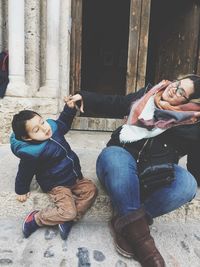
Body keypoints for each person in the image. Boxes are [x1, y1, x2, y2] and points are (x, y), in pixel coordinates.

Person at [68, 74, 200, 267]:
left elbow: (196, 162)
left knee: (188, 185)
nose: (174, 89)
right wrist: (84, 97)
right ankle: (144, 245)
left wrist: (196, 180)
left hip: (153, 174)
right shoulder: (148, 94)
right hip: (119, 162)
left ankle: (124, 223)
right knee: (115, 157)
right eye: (177, 84)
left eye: (181, 92)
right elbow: (117, 102)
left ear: (190, 102)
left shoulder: (193, 124)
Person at [10, 96, 97, 240]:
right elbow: (24, 173)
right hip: (57, 185)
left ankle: (68, 220)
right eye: (37, 130)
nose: (44, 129)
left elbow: (63, 122)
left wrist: (69, 108)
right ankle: (36, 219)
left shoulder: (53, 129)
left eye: (42, 122)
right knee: (68, 211)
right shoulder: (31, 153)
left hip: (74, 177)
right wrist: (21, 189)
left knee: (91, 190)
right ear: (27, 138)